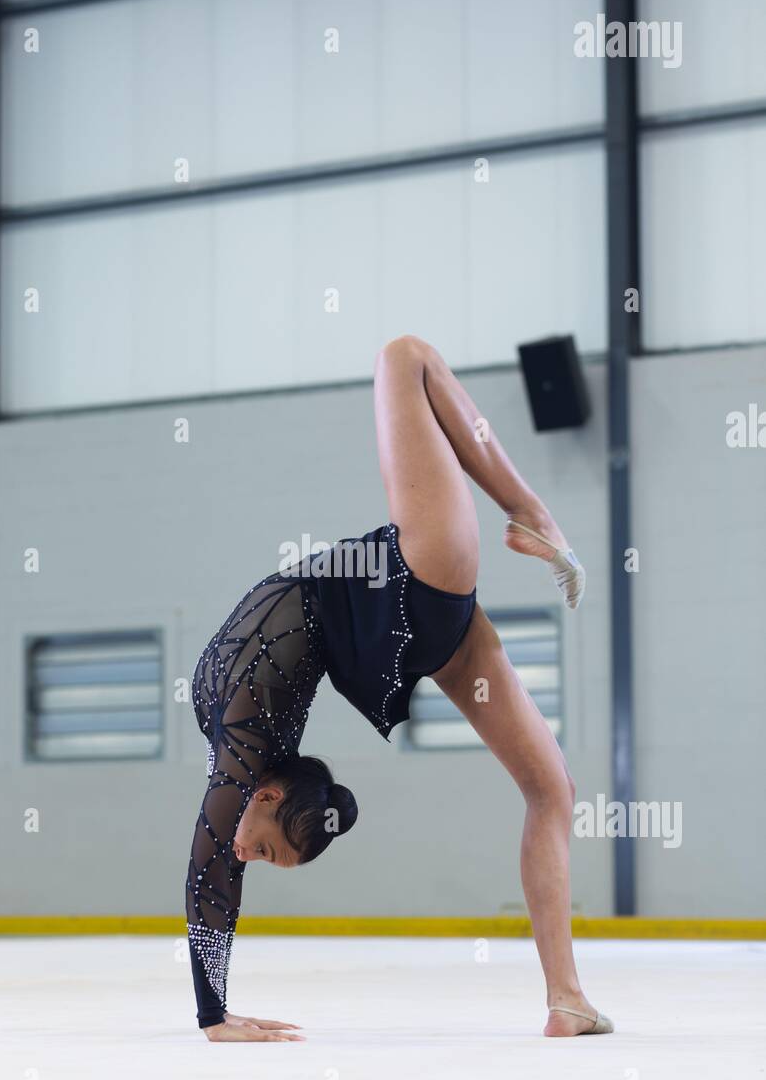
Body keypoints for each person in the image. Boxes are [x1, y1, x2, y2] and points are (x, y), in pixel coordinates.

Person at [188, 335, 612, 1042]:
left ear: (268, 797)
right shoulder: (257, 750)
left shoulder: (247, 738)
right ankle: (565, 999)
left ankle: (531, 512)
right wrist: (217, 1010)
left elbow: (206, 863)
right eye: (266, 855)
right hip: (419, 609)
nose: (246, 857)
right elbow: (214, 860)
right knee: (552, 792)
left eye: (262, 853)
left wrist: (213, 1017)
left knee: (403, 355)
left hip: (414, 588)